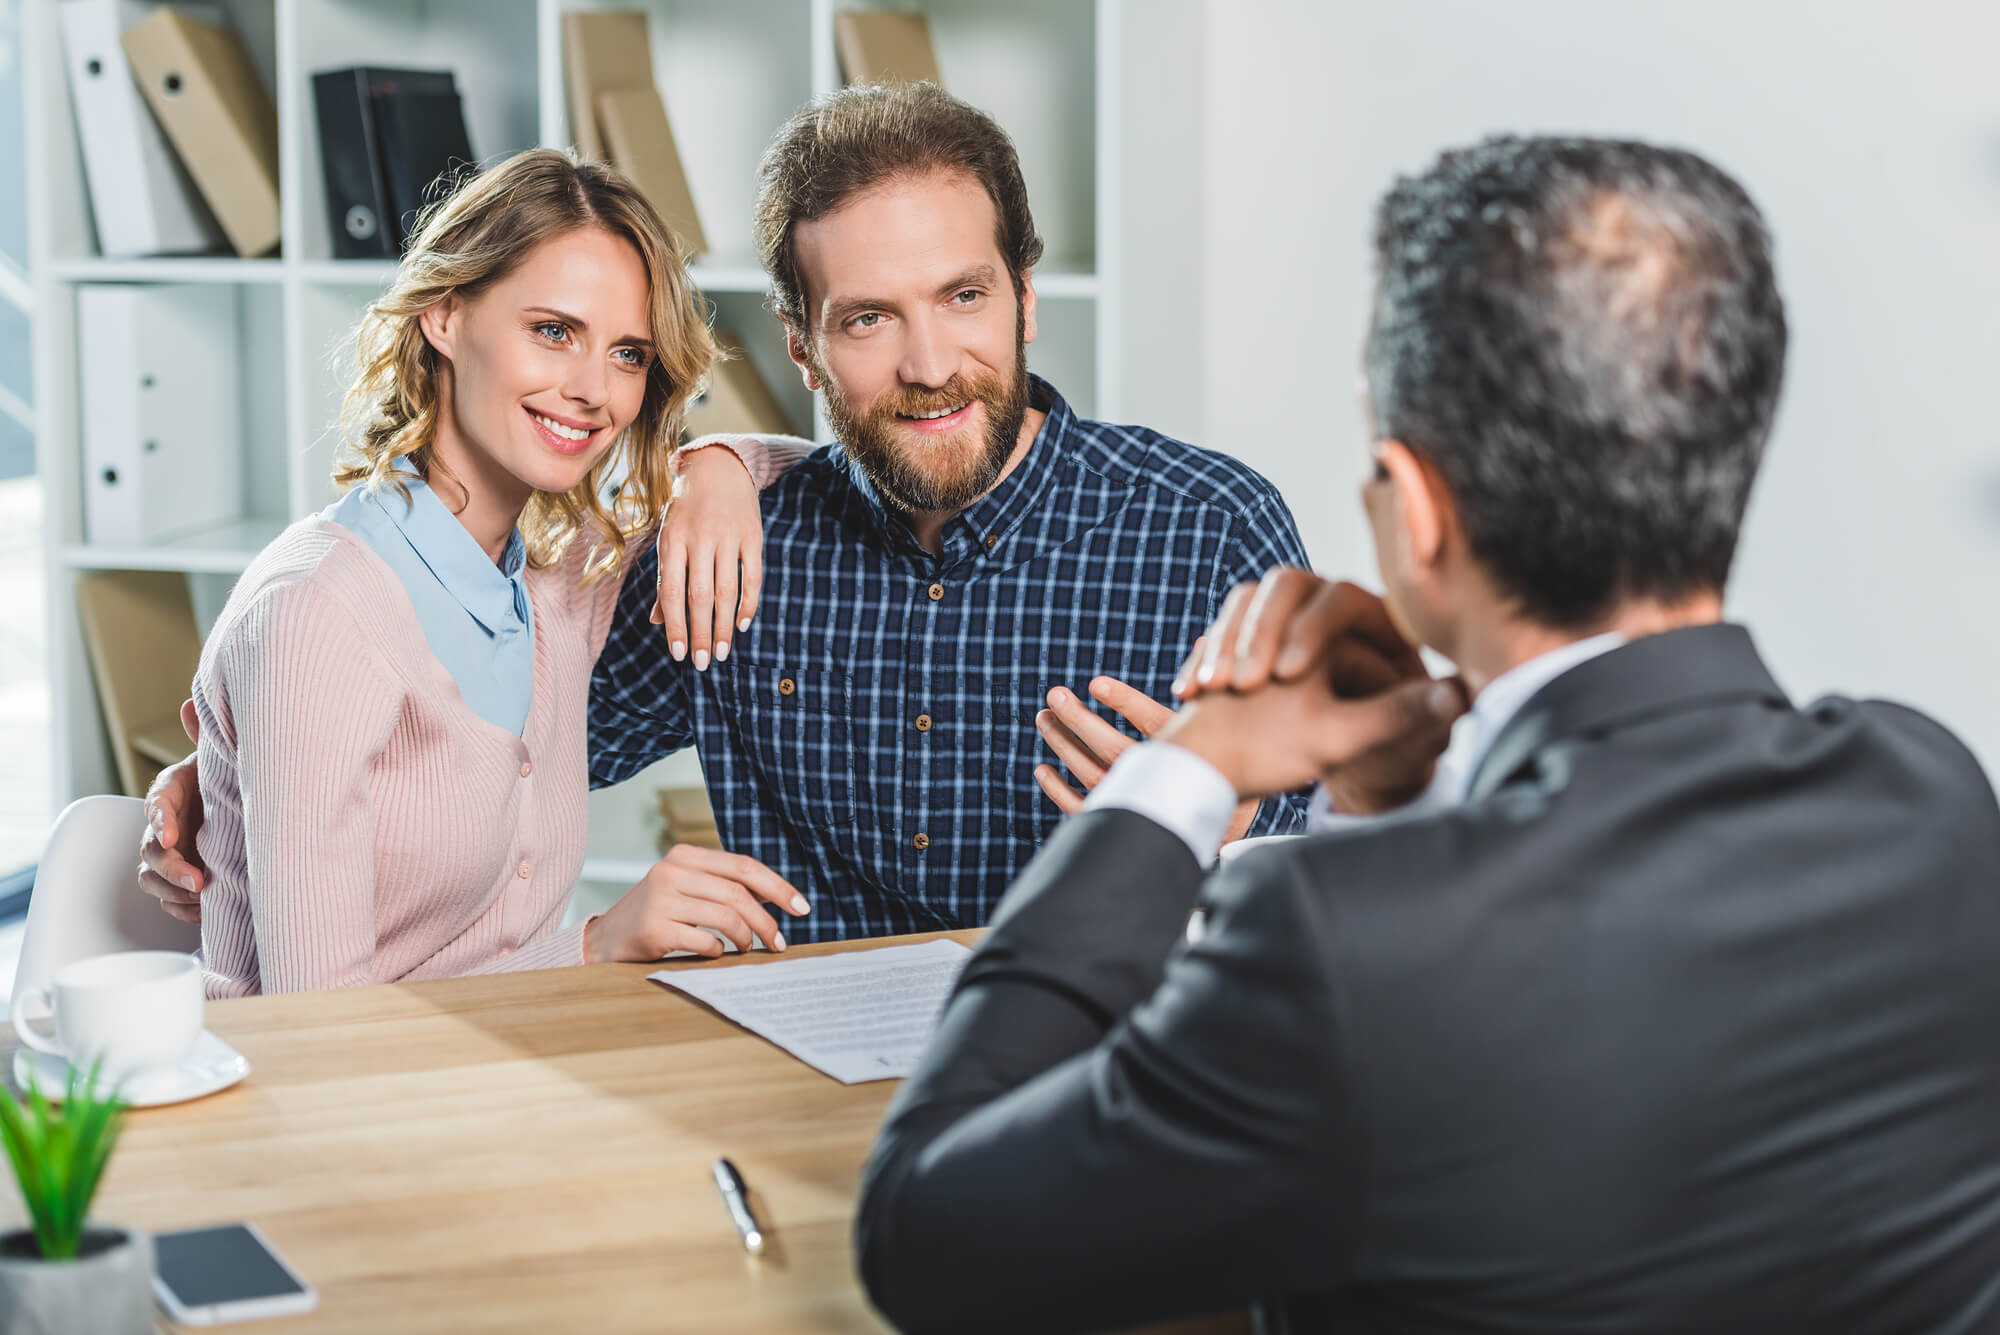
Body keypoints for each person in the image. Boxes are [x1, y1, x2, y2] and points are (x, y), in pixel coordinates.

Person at [854, 136, 2000, 1332]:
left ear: (1412, 508)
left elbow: (927, 1239)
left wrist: (1182, 771)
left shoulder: (1339, 952)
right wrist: (1402, 791)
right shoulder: (1929, 794)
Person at [142, 84, 1314, 945]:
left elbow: (1343, 872)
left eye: (963, 296)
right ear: (801, 350)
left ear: (1023, 299)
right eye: (865, 320)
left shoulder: (1208, 531)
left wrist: (1231, 835)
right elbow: (489, 763)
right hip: (779, 1087)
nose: (927, 363)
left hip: (1099, 1080)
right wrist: (236, 774)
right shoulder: (739, 550)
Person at [188, 150, 811, 996]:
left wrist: (713, 466)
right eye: (553, 331)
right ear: (444, 315)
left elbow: (813, 479)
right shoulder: (317, 613)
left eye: (628, 354)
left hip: (501, 1080)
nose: (592, 390)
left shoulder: (555, 582)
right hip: (318, 1108)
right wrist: (593, 946)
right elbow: (320, 1028)